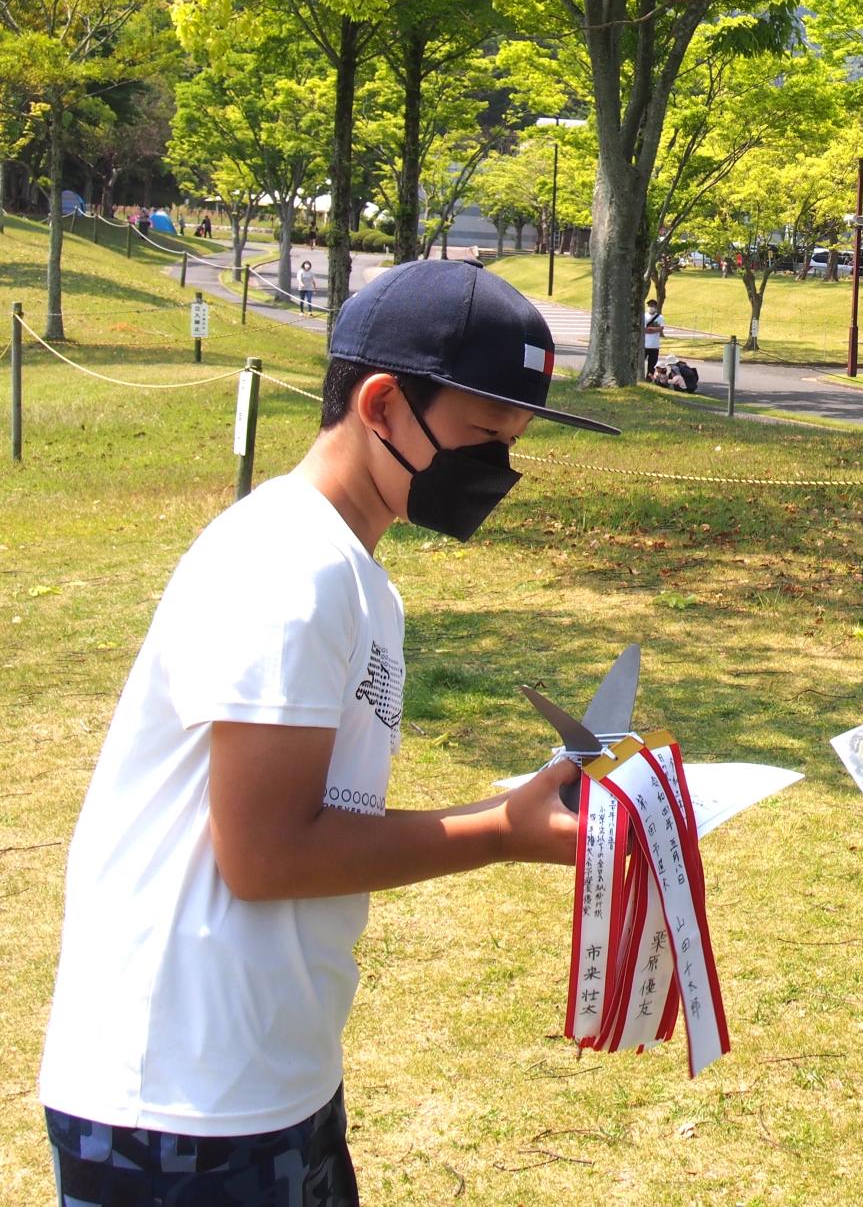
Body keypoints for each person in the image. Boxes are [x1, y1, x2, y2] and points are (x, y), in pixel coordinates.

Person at [39, 259, 620, 1206]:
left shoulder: (356, 577)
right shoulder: (289, 567)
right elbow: (265, 855)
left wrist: (513, 803)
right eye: (482, 436)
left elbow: (318, 820)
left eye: (512, 442)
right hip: (178, 1101)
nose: (497, 469)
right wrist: (502, 833)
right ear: (383, 404)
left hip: (269, 1073)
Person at [643, 298, 665, 378]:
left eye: (652, 306)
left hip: (655, 346)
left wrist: (652, 329)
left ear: (656, 307)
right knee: (640, 363)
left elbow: (661, 328)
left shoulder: (660, 317)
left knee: (652, 365)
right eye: (649, 306)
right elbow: (643, 329)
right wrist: (654, 329)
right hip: (644, 345)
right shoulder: (644, 316)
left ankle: (649, 378)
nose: (650, 307)